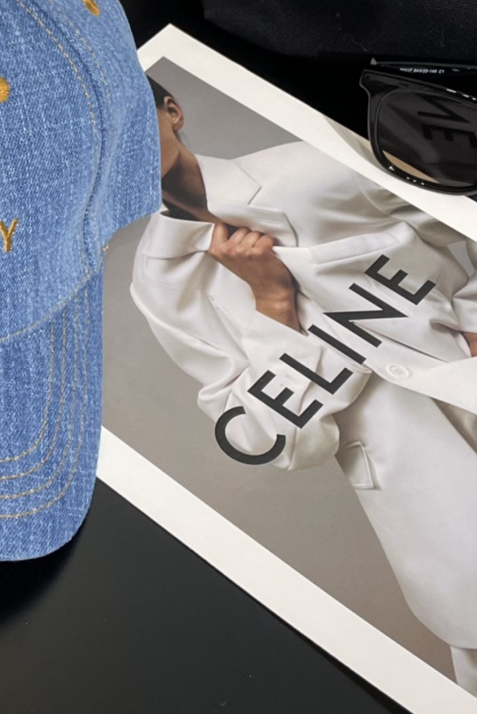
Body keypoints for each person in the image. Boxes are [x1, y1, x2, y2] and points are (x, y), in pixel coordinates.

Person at [130, 78, 477, 694]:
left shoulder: (318, 166)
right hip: (427, 498)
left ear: (172, 111)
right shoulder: (161, 284)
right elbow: (275, 441)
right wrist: (272, 305)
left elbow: (461, 219)